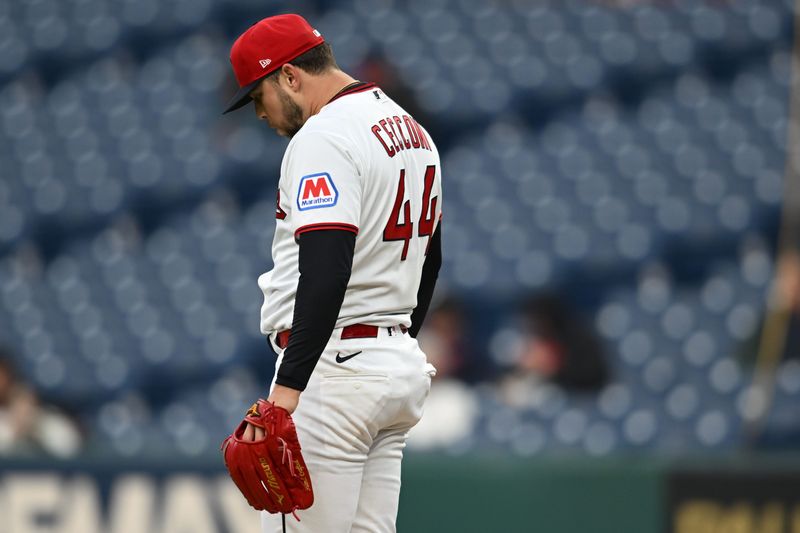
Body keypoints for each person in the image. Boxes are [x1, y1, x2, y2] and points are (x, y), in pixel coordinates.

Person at [222, 14, 442, 533]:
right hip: (393, 367)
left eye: (260, 96)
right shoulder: (412, 130)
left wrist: (288, 389)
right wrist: (397, 344)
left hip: (335, 371)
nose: (260, 114)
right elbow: (430, 260)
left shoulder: (324, 136)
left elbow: (326, 268)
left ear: (291, 76)